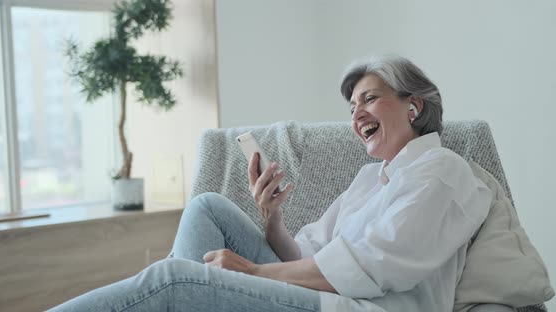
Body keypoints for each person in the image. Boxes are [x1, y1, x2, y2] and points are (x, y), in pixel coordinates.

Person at [50, 56, 492, 312]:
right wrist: (273, 219)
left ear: (412, 106)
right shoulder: (370, 180)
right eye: (352, 106)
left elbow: (371, 267)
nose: (356, 116)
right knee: (207, 207)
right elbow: (307, 254)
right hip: (328, 293)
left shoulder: (442, 171)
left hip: (363, 309)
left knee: (175, 278)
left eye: (370, 99)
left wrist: (254, 272)